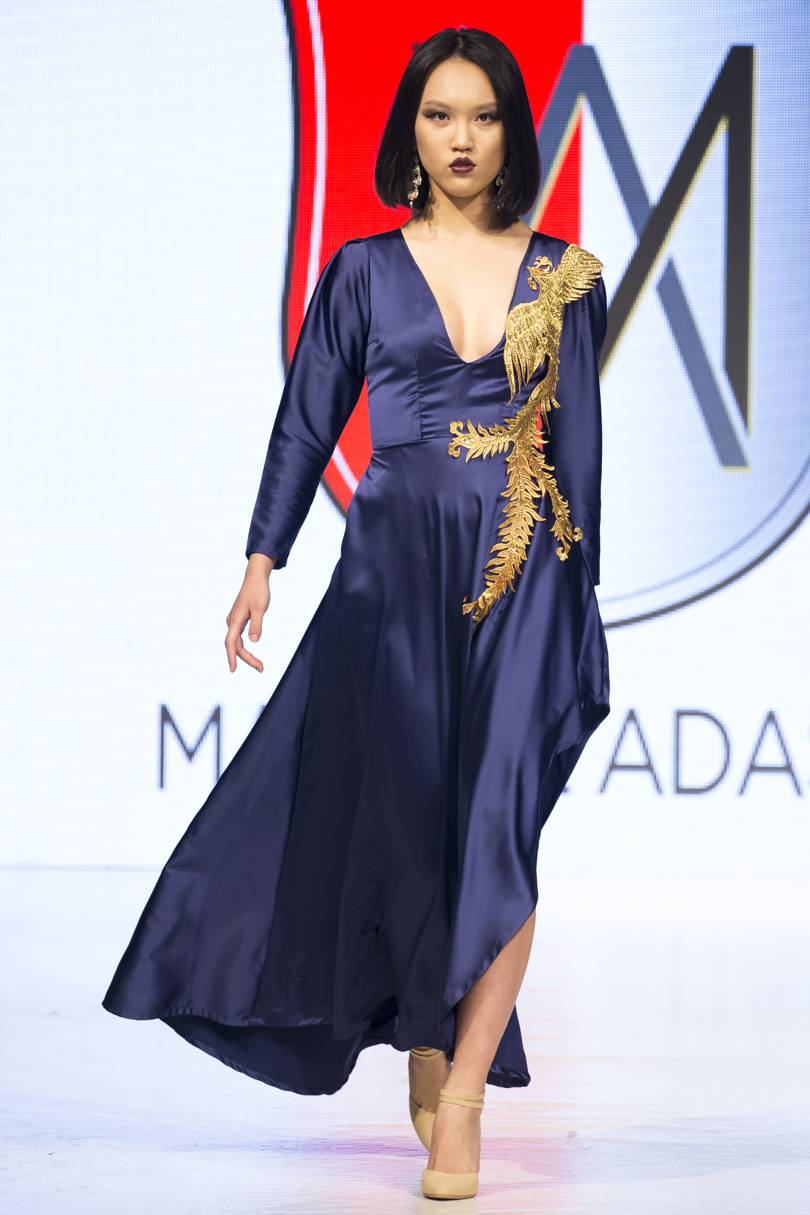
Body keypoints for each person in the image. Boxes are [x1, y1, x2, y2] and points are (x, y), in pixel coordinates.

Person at [102, 26, 610, 1202]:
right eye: (440, 115)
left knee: (502, 835)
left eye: (483, 115)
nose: (462, 138)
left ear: (512, 131)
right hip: (391, 576)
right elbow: (307, 417)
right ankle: (428, 1035)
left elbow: (581, 445)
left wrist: (583, 601)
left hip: (527, 577)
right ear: (410, 132)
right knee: (410, 831)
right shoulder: (362, 272)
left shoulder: (564, 273)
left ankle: (463, 1099)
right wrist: (263, 556)